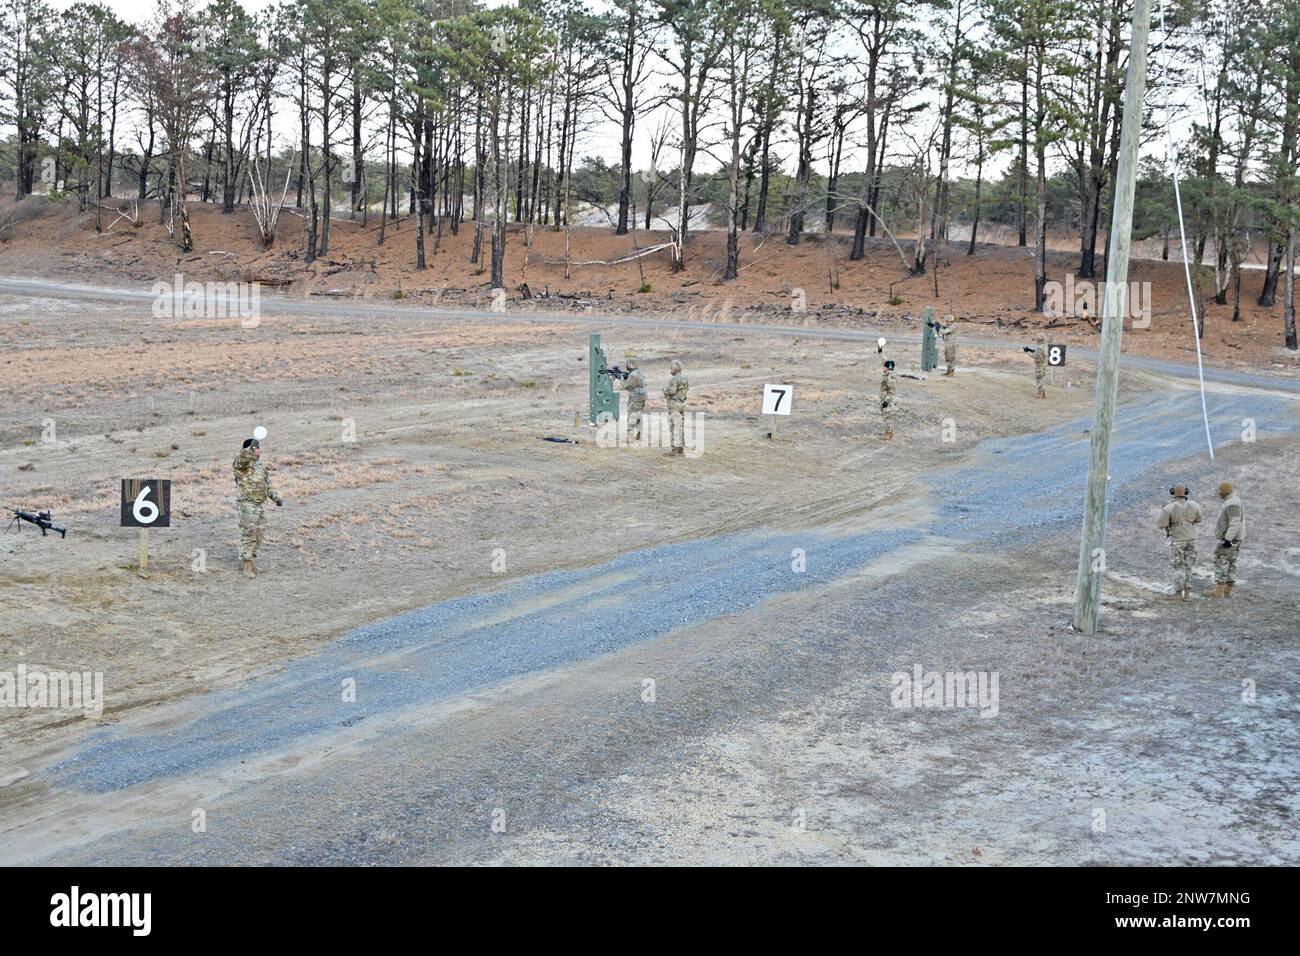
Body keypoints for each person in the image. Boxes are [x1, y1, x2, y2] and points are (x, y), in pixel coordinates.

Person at [233, 437, 282, 578]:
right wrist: (250, 449)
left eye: (259, 448)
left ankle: (251, 560)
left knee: (259, 535)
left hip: (259, 505)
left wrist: (275, 497)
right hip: (247, 504)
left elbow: (267, 483)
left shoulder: (259, 465)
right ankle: (246, 566)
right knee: (249, 535)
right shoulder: (241, 464)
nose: (259, 450)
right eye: (256, 448)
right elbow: (243, 457)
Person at [1156, 483, 1203, 600]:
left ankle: (1178, 593)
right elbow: (1199, 519)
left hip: (1178, 541)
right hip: (1192, 540)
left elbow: (1161, 525)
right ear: (1186, 492)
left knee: (1178, 567)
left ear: (1172, 492)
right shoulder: (1194, 505)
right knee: (1189, 567)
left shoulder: (1168, 508)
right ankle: (1187, 594)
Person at [1208, 481, 1244, 598]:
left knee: (1221, 562)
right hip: (1235, 539)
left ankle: (1219, 592)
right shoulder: (1233, 500)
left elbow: (1235, 522)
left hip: (1229, 540)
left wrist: (1228, 539)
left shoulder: (1232, 503)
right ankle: (1227, 591)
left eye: (1220, 492)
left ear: (1223, 492)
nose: (1219, 494)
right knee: (1231, 562)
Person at [616, 353, 647, 442]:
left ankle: (629, 437)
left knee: (631, 417)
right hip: (642, 397)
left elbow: (626, 386)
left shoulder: (633, 375)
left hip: (636, 398)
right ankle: (639, 432)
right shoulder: (639, 372)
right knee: (638, 415)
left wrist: (620, 378)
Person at [663, 359, 689, 456]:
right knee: (680, 426)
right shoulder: (685, 378)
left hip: (674, 405)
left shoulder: (673, 379)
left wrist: (664, 390)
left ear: (674, 369)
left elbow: (671, 391)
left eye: (671, 368)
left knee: (674, 426)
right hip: (682, 404)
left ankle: (674, 449)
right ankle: (681, 448)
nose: (670, 370)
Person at [1022, 333, 1049, 398]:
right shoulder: (1045, 346)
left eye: (1038, 340)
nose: (1037, 341)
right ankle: (1043, 393)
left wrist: (1027, 352)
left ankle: (1040, 394)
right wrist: (1030, 350)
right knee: (1042, 378)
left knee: (1039, 379)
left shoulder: (1040, 347)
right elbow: (1039, 353)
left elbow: (1035, 355)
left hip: (1040, 365)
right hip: (1044, 364)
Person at [880, 358, 898, 440]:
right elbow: (884, 360)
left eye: (884, 366)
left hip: (888, 400)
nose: (883, 367)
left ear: (887, 367)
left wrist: (886, 401)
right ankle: (890, 433)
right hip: (885, 399)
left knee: (888, 417)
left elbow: (891, 391)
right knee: (886, 416)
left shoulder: (891, 377)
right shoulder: (888, 374)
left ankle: (889, 434)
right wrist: (880, 351)